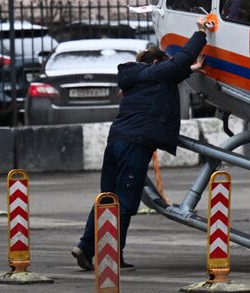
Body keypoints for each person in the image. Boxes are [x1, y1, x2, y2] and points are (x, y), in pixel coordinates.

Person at [72, 16, 209, 271]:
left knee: (107, 198)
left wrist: (188, 69)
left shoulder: (136, 77)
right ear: (157, 62)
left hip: (116, 141)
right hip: (135, 144)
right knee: (124, 201)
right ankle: (109, 254)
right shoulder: (156, 72)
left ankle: (86, 246)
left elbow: (171, 73)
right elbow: (176, 64)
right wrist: (200, 33)